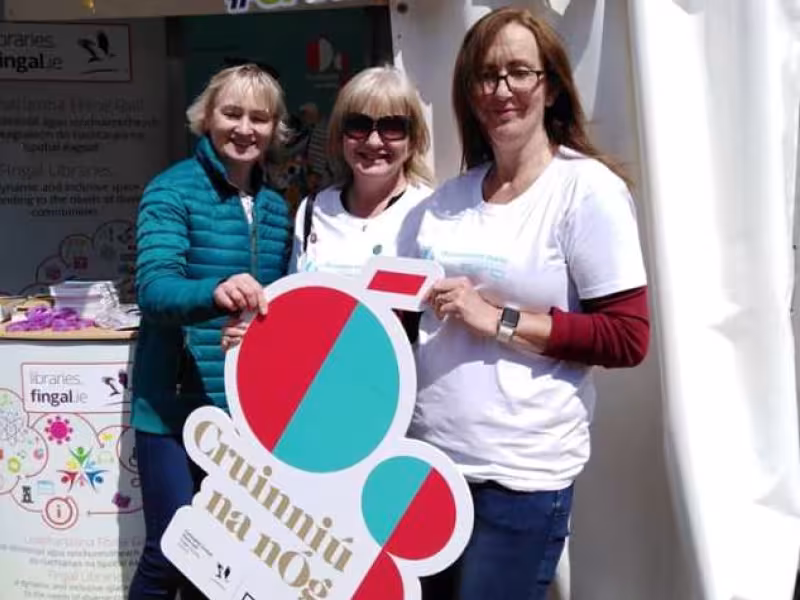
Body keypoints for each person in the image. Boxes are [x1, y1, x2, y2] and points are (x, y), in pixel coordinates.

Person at [399, 8, 650, 600]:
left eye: (519, 72)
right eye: (486, 75)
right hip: (429, 468)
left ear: (551, 84)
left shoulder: (586, 191)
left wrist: (500, 320)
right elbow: (392, 320)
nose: (501, 90)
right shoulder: (441, 204)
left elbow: (626, 337)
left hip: (521, 478)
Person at [129, 64, 292, 599]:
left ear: (274, 128)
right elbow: (154, 288)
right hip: (175, 405)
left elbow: (280, 307)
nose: (245, 128)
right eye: (232, 113)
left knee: (226, 559)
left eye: (259, 118)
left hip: (245, 414)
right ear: (206, 118)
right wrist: (214, 292)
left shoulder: (276, 207)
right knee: (173, 549)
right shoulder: (171, 190)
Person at [221, 65, 433, 348]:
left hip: (406, 388)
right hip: (324, 387)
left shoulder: (433, 213)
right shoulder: (313, 210)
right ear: (339, 135)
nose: (373, 141)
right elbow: (295, 314)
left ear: (414, 138)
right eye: (358, 126)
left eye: (392, 127)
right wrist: (250, 338)